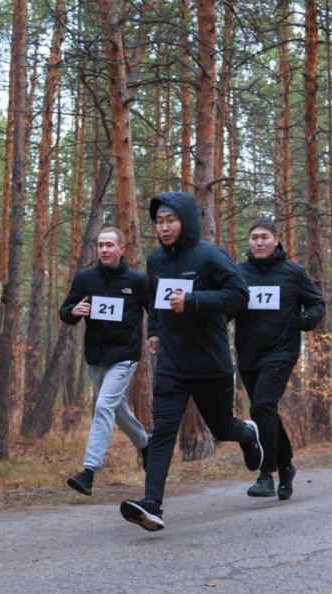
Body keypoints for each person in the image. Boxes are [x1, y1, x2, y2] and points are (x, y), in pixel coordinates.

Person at [120, 191, 263, 531]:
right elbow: (154, 302)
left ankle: (247, 433)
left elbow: (239, 295)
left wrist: (194, 300)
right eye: (159, 222)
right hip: (171, 362)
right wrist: (154, 330)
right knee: (163, 431)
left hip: (209, 361)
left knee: (221, 428)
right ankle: (152, 503)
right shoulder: (155, 261)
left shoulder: (209, 256)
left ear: (186, 221)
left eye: (171, 221)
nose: (164, 228)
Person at [234, 219, 326, 499]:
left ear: (276, 240)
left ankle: (267, 474)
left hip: (281, 352)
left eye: (264, 237)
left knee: (261, 405)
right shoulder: (238, 274)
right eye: (253, 237)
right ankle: (287, 466)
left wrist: (305, 320)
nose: (258, 242)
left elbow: (317, 303)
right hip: (248, 353)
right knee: (266, 411)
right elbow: (226, 304)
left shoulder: (293, 273)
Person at [60, 227, 150, 496]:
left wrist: (156, 335)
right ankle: (146, 445)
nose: (104, 250)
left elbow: (155, 310)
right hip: (96, 357)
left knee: (103, 406)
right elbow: (66, 311)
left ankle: (88, 472)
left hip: (124, 356)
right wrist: (73, 311)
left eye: (109, 245)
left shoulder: (137, 280)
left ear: (122, 249)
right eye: (100, 245)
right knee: (116, 409)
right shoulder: (86, 279)